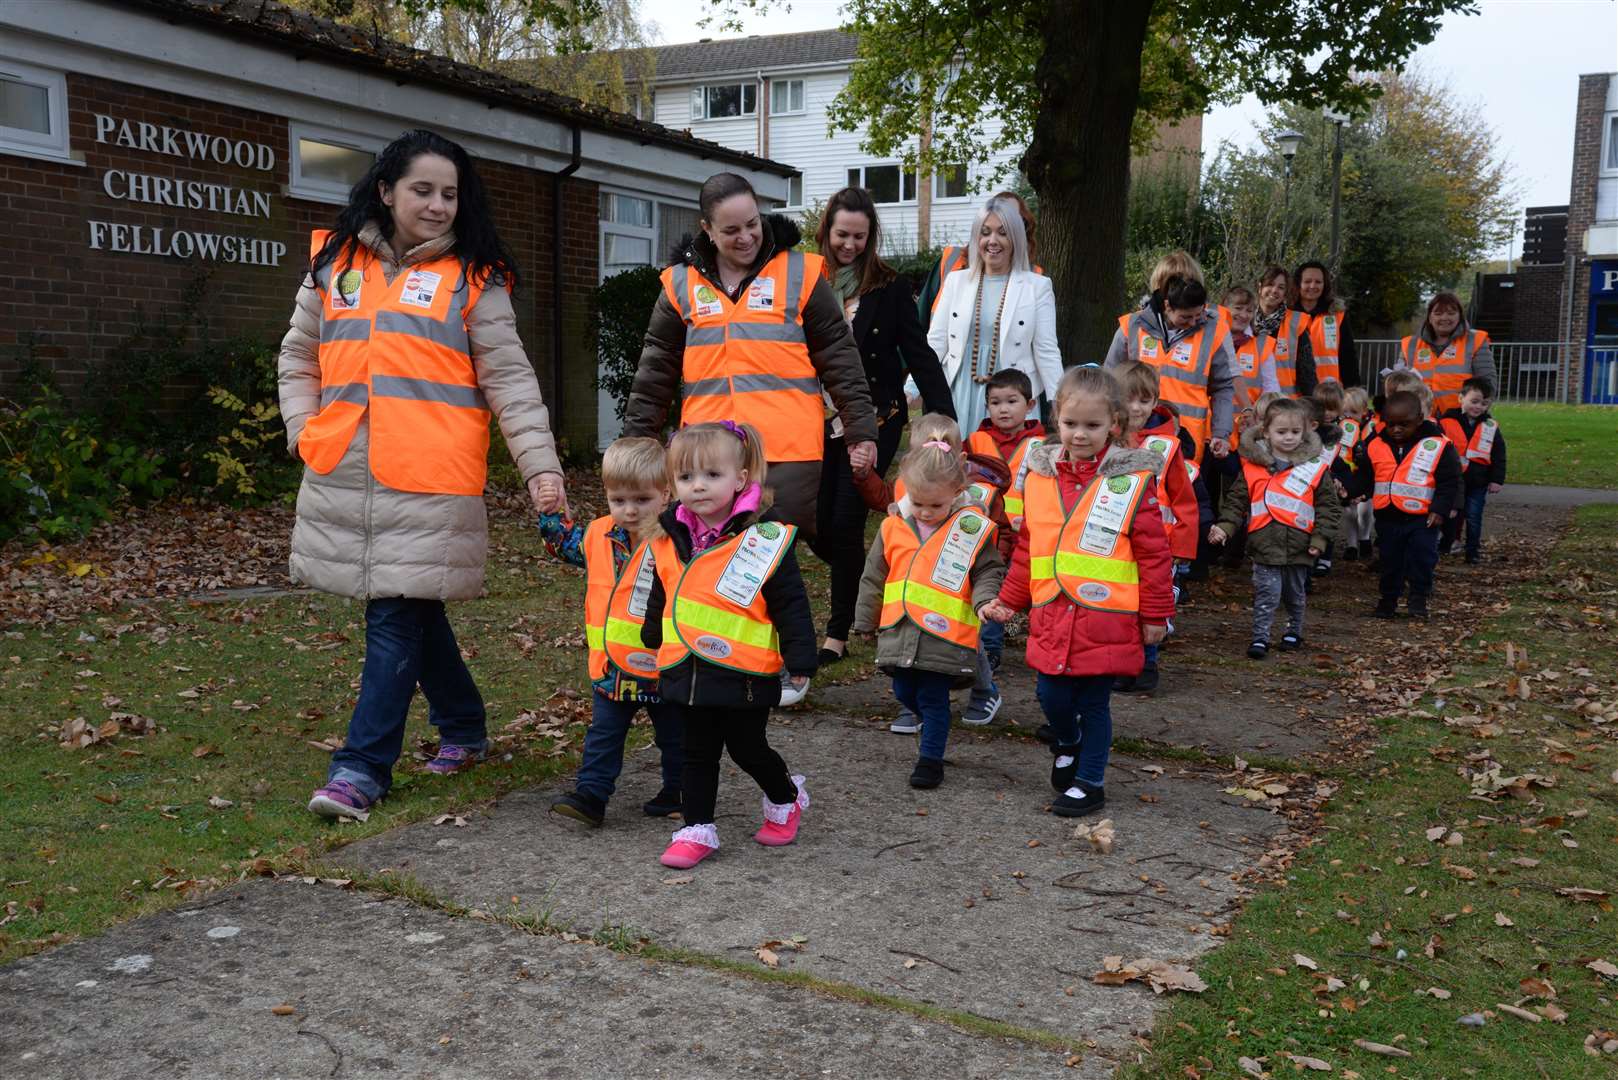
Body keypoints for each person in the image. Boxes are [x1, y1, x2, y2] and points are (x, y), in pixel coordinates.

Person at [279, 129, 568, 821]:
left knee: (395, 614)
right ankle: (464, 728)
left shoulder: (475, 278)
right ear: (386, 191)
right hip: (346, 469)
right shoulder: (333, 265)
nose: (438, 205)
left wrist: (543, 474)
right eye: (423, 190)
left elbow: (512, 383)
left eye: (450, 194)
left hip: (434, 478)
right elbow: (298, 357)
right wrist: (302, 429)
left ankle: (359, 768)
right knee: (411, 606)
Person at [623, 172, 878, 537]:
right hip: (706, 455)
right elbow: (656, 369)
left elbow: (839, 356)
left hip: (787, 453)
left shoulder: (798, 272)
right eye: (730, 231)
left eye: (752, 224)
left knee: (771, 560)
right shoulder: (681, 284)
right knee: (710, 559)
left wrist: (860, 430)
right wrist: (638, 442)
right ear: (707, 229)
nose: (745, 238)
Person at [980, 367, 1174, 818]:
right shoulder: (1042, 476)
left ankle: (1090, 781)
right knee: (1051, 696)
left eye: (1092, 426)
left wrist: (1155, 617)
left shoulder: (1131, 481)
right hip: (1052, 612)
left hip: (1107, 619)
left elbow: (1153, 554)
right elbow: (1029, 547)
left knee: (1094, 702)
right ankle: (1068, 741)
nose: (1080, 434)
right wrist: (1010, 599)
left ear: (1115, 426)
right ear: (1056, 420)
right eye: (1070, 424)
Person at [640, 422, 815, 869]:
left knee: (746, 746)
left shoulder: (764, 536)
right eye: (686, 477)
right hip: (685, 665)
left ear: (740, 479)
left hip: (744, 671)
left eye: (711, 475)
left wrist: (800, 656)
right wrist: (652, 634)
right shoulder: (670, 533)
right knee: (694, 751)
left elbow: (790, 600)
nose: (697, 486)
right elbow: (665, 590)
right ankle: (696, 828)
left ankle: (785, 796)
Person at [810, 187, 954, 668]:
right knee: (819, 523)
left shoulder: (889, 286)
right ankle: (883, 568)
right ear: (826, 232)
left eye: (859, 236)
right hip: (813, 419)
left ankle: (838, 633)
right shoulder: (808, 280)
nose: (848, 245)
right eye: (841, 235)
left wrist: (943, 418)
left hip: (876, 418)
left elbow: (918, 353)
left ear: (871, 237)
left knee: (848, 520)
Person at [541, 437, 684, 827]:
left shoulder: (679, 540)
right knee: (603, 735)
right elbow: (561, 545)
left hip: (663, 665)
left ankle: (679, 792)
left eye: (641, 499)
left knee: (675, 736)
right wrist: (552, 514)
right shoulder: (597, 535)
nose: (629, 510)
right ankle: (591, 795)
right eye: (618, 500)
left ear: (666, 495)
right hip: (611, 669)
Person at [851, 442, 1006, 789]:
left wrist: (984, 603)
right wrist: (865, 619)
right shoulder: (892, 526)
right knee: (905, 692)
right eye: (918, 503)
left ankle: (930, 760)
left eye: (936, 504)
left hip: (944, 636)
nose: (925, 512)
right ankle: (933, 728)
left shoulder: (970, 528)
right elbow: (874, 574)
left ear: (957, 491)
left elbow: (988, 570)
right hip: (900, 630)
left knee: (933, 700)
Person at [1208, 398, 1342, 658]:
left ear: (1305, 432)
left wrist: (1320, 540)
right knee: (1267, 594)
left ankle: (1294, 631)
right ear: (1266, 431)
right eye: (1281, 432)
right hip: (1264, 544)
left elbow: (1329, 507)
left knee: (1295, 593)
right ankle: (1260, 637)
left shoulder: (1315, 468)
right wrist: (1225, 527)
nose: (1289, 438)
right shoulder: (1252, 467)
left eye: (1295, 432)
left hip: (1301, 545)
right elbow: (1236, 501)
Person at [927, 196, 1064, 433]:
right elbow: (936, 341)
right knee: (959, 462)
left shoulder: (1038, 286)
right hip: (960, 391)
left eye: (1002, 233)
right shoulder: (955, 281)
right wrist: (910, 388)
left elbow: (1046, 349)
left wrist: (1061, 402)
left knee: (1010, 463)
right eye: (985, 232)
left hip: (1011, 396)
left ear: (1016, 238)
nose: (993, 241)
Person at [1116, 360, 1199, 695]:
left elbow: (1184, 500)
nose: (1136, 408)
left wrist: (1181, 547)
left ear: (1155, 402)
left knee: (1151, 606)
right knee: (1121, 605)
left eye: (1145, 400)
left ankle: (1147, 663)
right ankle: (1124, 663)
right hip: (1115, 546)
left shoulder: (1167, 446)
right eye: (1128, 399)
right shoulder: (1104, 439)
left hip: (1157, 547)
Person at [1349, 391, 1463, 619]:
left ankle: (1419, 598)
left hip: (1423, 518)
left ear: (1420, 419)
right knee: (1390, 560)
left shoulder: (1438, 445)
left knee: (1422, 558)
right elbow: (1366, 476)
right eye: (1391, 424)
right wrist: (1350, 490)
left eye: (1404, 424)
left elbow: (1450, 481)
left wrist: (1440, 509)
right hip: (1388, 516)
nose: (1397, 430)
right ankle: (1388, 600)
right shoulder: (1376, 444)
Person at [1104, 271, 1236, 463]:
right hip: (1131, 435)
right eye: (1186, 317)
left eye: (1198, 315)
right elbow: (1108, 379)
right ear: (1167, 306)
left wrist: (1221, 433)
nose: (1193, 322)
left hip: (1186, 442)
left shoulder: (1211, 332)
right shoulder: (1132, 326)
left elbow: (1223, 386)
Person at [965, 368, 1045, 670]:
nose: (1003, 409)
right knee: (993, 588)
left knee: (1034, 590)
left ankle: (1043, 643)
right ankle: (990, 647)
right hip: (989, 533)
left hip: (1030, 534)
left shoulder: (1045, 444)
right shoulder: (974, 442)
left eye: (1012, 401)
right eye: (995, 402)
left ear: (1030, 404)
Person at [916, 190, 1041, 320]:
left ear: (1022, 229)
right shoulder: (951, 260)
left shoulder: (1035, 278)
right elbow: (921, 316)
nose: (993, 240)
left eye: (1011, 220)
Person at [1438, 376, 1507, 564]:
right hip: (1453, 480)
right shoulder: (1445, 421)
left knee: (1474, 516)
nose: (1478, 407)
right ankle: (1447, 543)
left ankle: (1472, 551)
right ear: (1461, 398)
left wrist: (1496, 479)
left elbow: (1499, 454)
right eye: (1474, 401)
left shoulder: (1490, 426)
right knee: (1450, 514)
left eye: (1484, 404)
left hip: (1478, 481)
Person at [1397, 292, 1497, 415]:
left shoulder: (1476, 340)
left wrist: (1477, 412)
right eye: (1438, 313)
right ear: (1429, 317)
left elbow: (1487, 384)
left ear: (1460, 316)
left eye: (1451, 313)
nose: (1444, 318)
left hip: (1463, 418)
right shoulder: (1410, 344)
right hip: (1419, 417)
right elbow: (1398, 382)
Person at [1292, 260, 1358, 388]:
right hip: (1295, 393)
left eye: (1318, 282)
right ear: (1298, 284)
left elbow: (1348, 356)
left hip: (1330, 393)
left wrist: (1353, 389)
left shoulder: (1337, 314)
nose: (1312, 286)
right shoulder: (1286, 315)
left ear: (1325, 285)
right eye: (1307, 281)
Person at [1339, 386, 1374, 560]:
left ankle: (1365, 538)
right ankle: (1351, 544)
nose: (1349, 417)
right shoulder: (1339, 427)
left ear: (1364, 411)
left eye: (1353, 412)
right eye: (1345, 412)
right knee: (1348, 510)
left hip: (1365, 471)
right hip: (1347, 471)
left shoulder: (1372, 427)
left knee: (1365, 509)